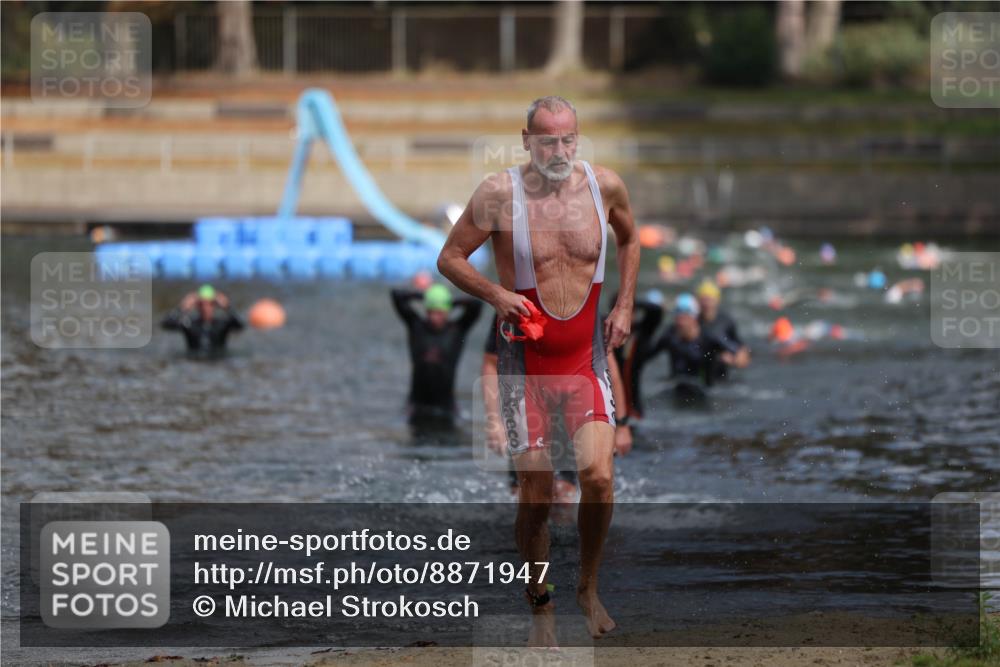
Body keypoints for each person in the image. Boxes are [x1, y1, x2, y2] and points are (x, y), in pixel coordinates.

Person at [437, 95, 640, 641]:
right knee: (537, 492)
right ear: (526, 140)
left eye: (568, 138)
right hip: (524, 364)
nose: (558, 149)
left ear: (578, 138)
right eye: (546, 139)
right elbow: (449, 258)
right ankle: (542, 608)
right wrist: (496, 293)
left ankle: (588, 588)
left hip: (584, 360)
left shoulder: (605, 186)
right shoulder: (500, 193)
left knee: (599, 477)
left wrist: (623, 305)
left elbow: (630, 238)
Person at [481, 315, 632, 503]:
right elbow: (491, 363)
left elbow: (609, 369)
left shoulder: (582, 306)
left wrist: (622, 424)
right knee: (526, 495)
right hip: (526, 406)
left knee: (564, 495)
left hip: (570, 410)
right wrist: (494, 421)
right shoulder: (512, 305)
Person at [391, 283, 482, 425]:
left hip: (446, 407)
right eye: (431, 311)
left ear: (447, 311)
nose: (434, 317)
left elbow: (476, 304)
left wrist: (449, 301)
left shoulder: (457, 330)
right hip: (417, 406)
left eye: (439, 312)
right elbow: (396, 295)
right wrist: (427, 297)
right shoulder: (417, 326)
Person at [654, 293, 741, 404]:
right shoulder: (669, 336)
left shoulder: (708, 337)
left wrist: (732, 360)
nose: (680, 319)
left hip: (705, 393)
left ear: (694, 316)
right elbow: (647, 355)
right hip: (677, 389)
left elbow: (739, 353)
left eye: (685, 314)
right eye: (677, 313)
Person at [611, 289, 665, 421]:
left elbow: (656, 311)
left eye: (632, 312)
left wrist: (628, 303)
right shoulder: (608, 332)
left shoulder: (642, 331)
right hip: (611, 401)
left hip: (633, 406)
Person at [161, 284, 244, 357]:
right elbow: (166, 324)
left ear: (215, 305)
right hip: (195, 360)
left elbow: (240, 326)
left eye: (210, 304)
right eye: (202, 304)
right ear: (197, 306)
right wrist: (181, 308)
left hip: (217, 361)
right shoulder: (189, 324)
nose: (206, 308)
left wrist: (228, 307)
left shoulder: (222, 324)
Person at [695, 279, 750, 381]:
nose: (706, 304)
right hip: (700, 371)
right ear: (698, 301)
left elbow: (741, 349)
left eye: (709, 299)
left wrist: (734, 360)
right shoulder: (693, 322)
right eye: (703, 299)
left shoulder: (726, 321)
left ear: (717, 300)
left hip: (721, 373)